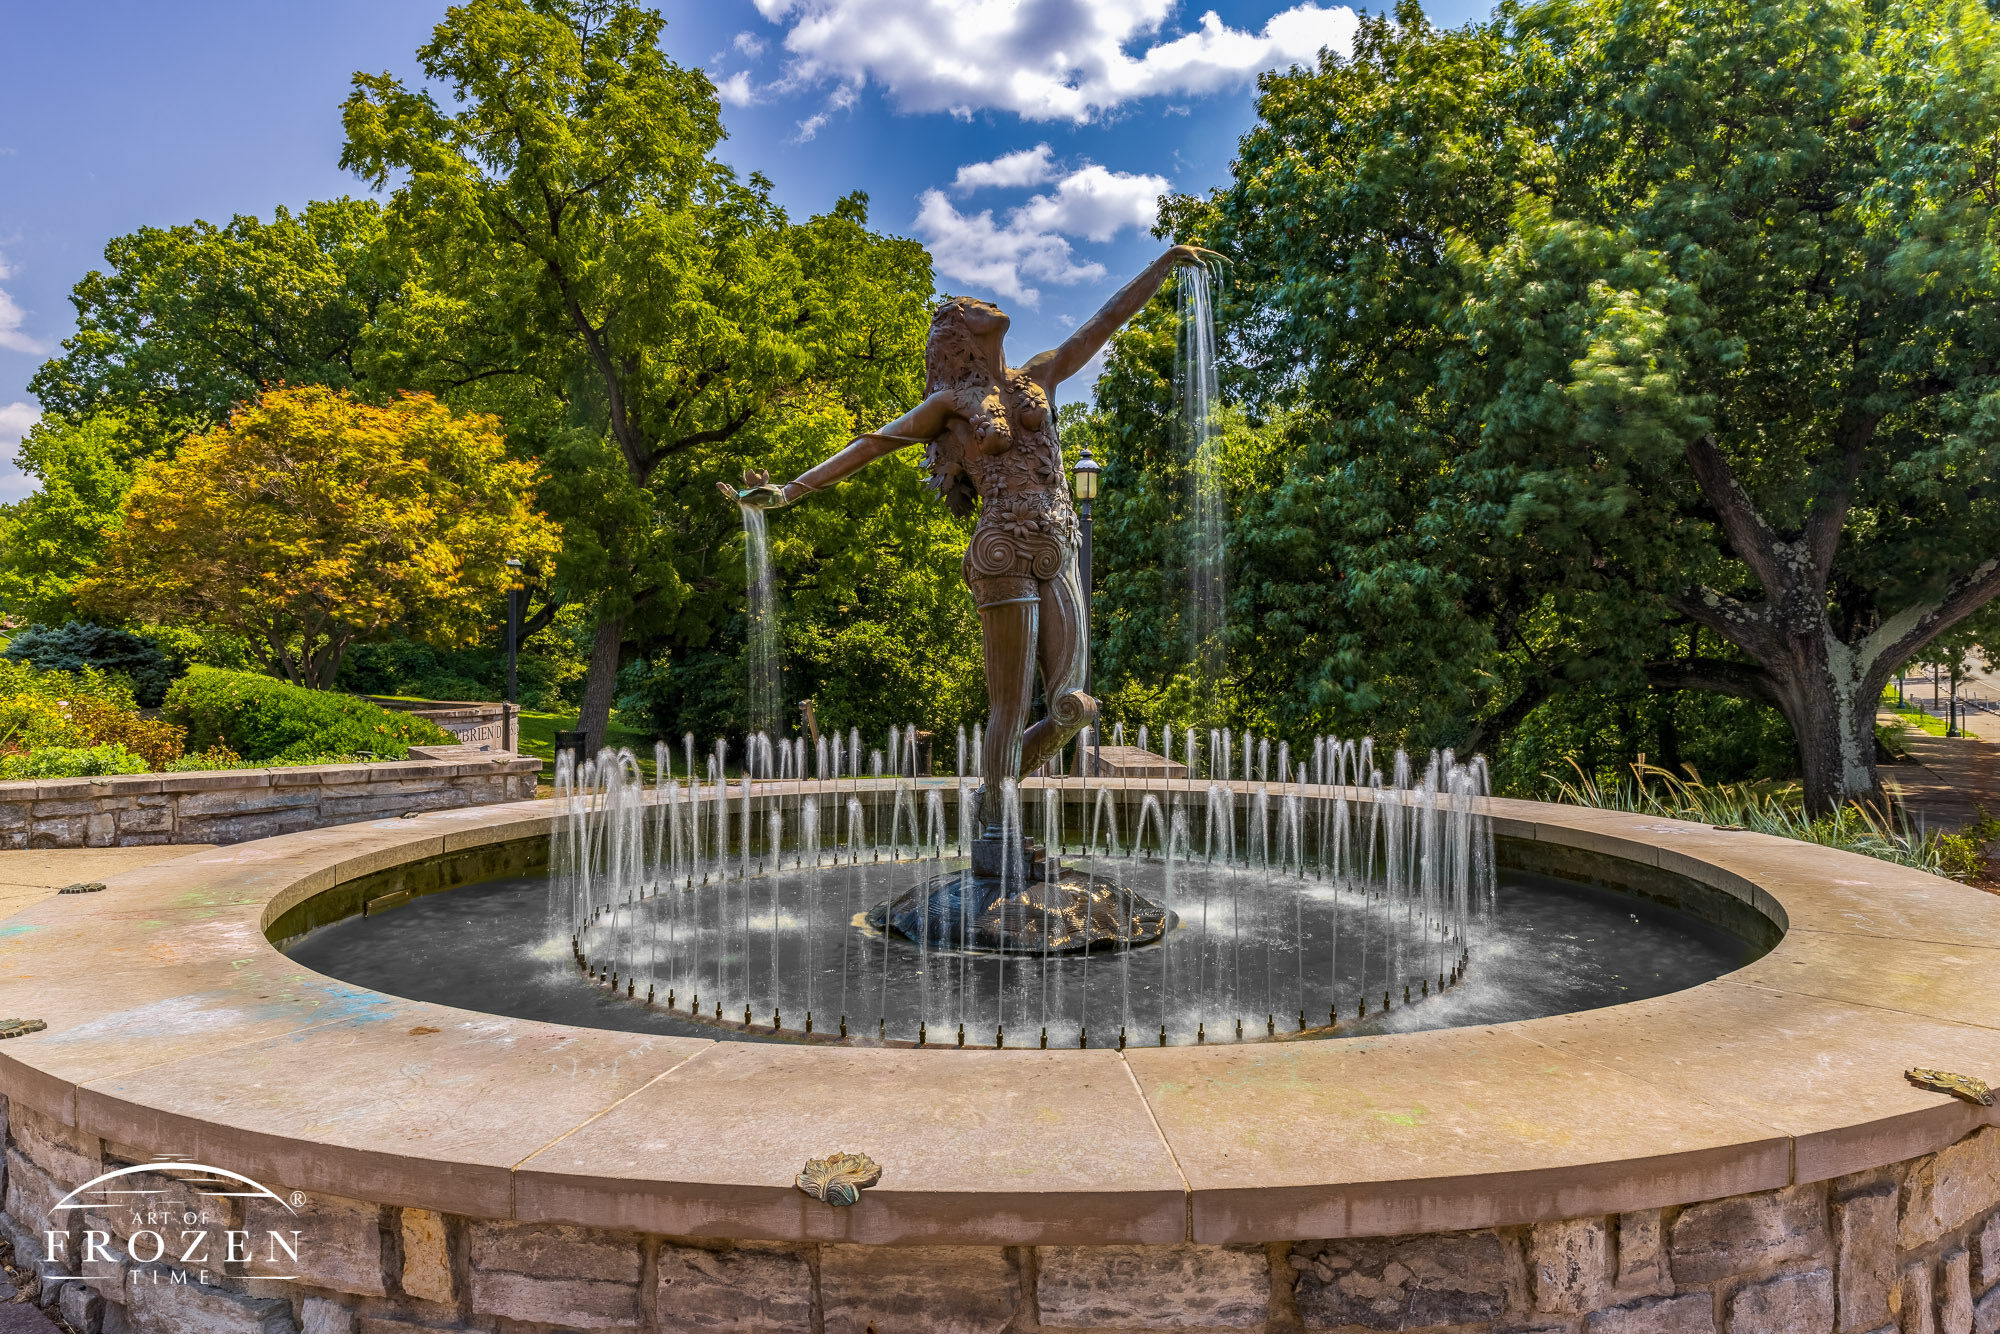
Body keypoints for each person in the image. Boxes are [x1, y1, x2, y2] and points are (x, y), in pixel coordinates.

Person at [725, 244, 1219, 841]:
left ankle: (992, 791)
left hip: (1057, 544)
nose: (992, 304)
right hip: (1002, 548)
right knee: (1009, 708)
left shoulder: (1039, 374)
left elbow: (1105, 322)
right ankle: (995, 832)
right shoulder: (948, 403)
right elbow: (870, 446)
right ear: (959, 328)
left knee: (1074, 707)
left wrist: (1163, 264)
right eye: (976, 304)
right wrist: (788, 493)